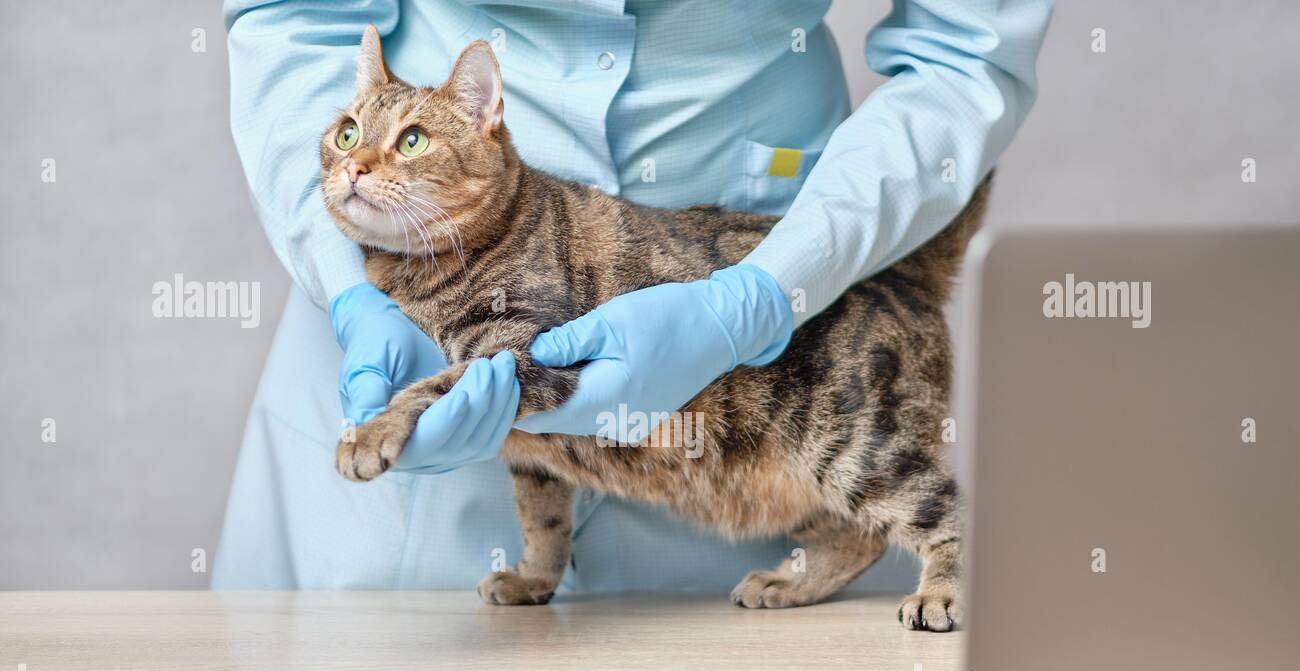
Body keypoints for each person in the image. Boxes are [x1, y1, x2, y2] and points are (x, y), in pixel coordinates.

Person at [214, 0, 1053, 590]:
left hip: (780, 315)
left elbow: (964, 54)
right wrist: (348, 286)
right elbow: (294, 20)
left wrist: (765, 292)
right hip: (406, 457)